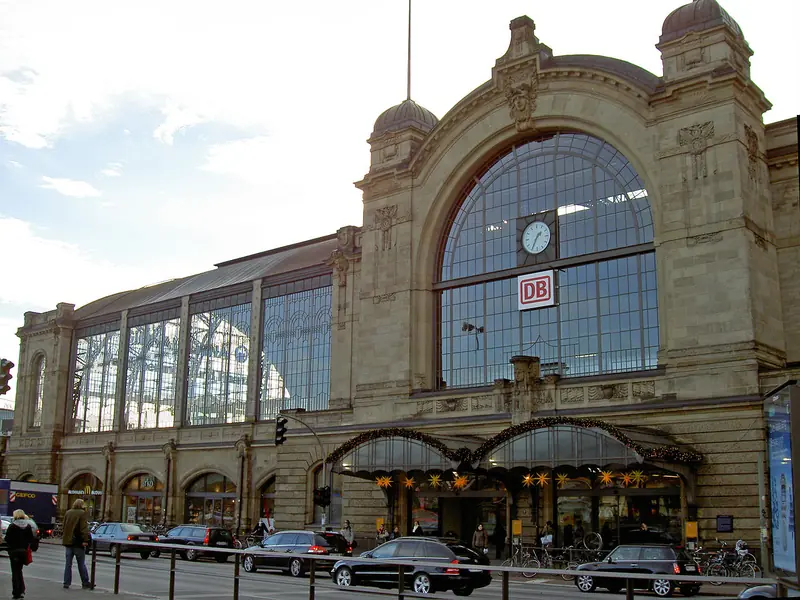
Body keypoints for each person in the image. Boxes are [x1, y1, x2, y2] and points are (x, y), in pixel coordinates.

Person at [62, 498, 92, 590]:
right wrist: (86, 540)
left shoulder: (68, 512)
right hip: (78, 542)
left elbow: (64, 526)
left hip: (68, 542)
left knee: (68, 564)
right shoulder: (82, 513)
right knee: (81, 564)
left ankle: (66, 583)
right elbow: (84, 528)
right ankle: (85, 582)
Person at [6, 509, 35, 600]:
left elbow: (7, 538)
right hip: (23, 551)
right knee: (19, 571)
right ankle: (22, 590)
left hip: (14, 551)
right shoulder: (28, 526)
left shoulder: (12, 526)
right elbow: (31, 539)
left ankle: (16, 592)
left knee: (15, 572)